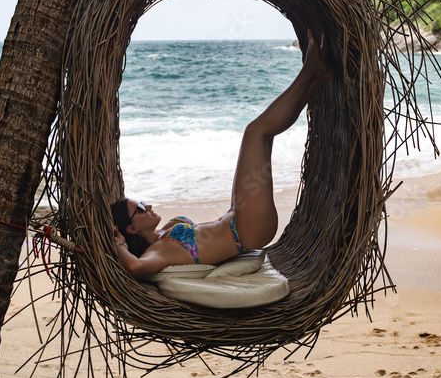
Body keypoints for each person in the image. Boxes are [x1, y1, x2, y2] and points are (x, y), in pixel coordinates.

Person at [112, 30, 333, 278]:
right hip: (247, 231)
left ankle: (317, 78)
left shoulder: (166, 232)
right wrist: (119, 245)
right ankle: (310, 69)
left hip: (237, 217)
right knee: (255, 132)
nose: (148, 204)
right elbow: (135, 267)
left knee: (265, 135)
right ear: (131, 228)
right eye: (140, 207)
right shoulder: (159, 252)